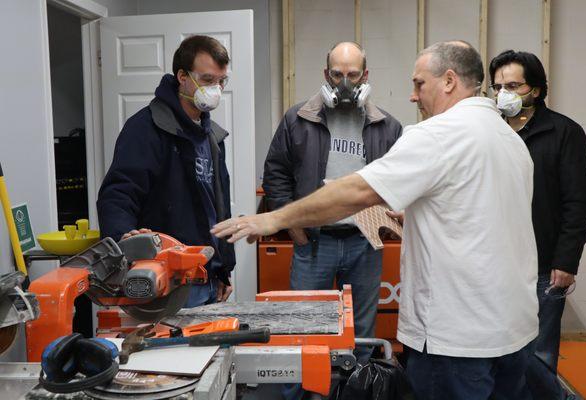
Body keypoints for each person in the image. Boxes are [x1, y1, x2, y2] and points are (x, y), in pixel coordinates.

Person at [213, 41, 539, 400]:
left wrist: (275, 218)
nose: (414, 96)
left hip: (457, 341)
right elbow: (469, 208)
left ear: (449, 81)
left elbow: (356, 192)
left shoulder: (437, 134)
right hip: (512, 332)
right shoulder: (509, 138)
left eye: (419, 84)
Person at [262, 41, 402, 364]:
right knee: (305, 329)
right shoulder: (298, 119)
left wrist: (388, 225)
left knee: (362, 333)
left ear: (366, 75)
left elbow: (399, 181)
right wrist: (293, 226)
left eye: (353, 74)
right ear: (326, 75)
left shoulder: (387, 126)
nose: (346, 83)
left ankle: (357, 388)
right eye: (337, 74)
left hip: (364, 245)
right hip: (314, 243)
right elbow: (275, 174)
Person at [97, 35, 235, 307]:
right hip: (166, 281)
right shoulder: (146, 128)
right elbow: (118, 193)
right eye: (207, 80)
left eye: (221, 81)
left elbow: (218, 211)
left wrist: (223, 269)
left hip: (207, 280)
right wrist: (124, 238)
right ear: (182, 77)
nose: (216, 89)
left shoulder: (212, 137)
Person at [490, 50, 586, 400]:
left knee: (539, 356)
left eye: (514, 85)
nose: (504, 93)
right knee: (496, 355)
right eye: (498, 86)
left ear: (536, 89)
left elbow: (579, 204)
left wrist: (565, 262)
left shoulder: (564, 132)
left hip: (543, 268)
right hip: (493, 266)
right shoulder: (489, 133)